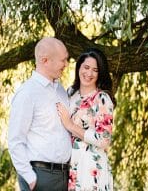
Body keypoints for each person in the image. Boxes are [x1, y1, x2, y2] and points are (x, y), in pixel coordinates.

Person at [8, 37, 72, 191]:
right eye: (62, 60)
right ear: (45, 61)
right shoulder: (27, 93)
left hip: (64, 176)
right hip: (40, 177)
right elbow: (15, 140)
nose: (66, 64)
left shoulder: (61, 91)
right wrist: (30, 178)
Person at [56, 48, 115, 191]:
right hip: (69, 167)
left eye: (95, 70)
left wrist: (71, 125)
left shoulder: (102, 99)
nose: (89, 73)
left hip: (91, 167)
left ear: (100, 73)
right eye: (86, 67)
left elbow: (104, 139)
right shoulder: (70, 94)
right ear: (79, 68)